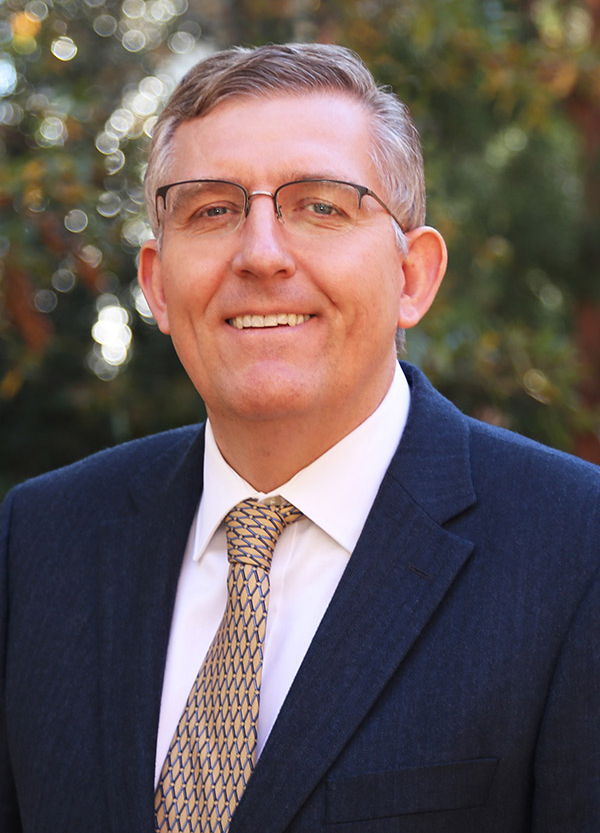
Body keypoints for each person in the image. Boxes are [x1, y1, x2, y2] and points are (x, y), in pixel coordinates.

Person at [1, 43, 599, 833]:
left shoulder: (576, 549)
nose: (261, 255)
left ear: (413, 277)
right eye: (212, 210)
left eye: (321, 205)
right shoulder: (38, 542)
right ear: (157, 285)